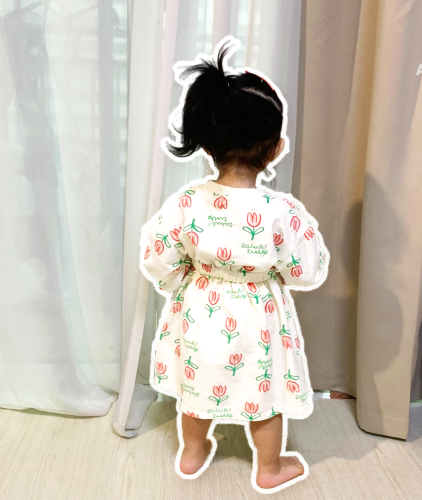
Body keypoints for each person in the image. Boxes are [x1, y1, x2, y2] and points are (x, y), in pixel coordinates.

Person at [139, 38, 329, 492]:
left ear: (206, 144)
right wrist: (276, 271)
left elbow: (158, 255)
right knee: (265, 394)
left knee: (197, 387)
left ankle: (192, 452)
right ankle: (270, 467)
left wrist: (179, 280)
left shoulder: (188, 202)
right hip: (259, 317)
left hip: (200, 310)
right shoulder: (281, 212)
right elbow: (306, 270)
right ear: (276, 148)